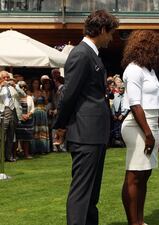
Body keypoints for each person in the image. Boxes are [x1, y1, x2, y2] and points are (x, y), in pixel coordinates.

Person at [53, 9, 119, 225]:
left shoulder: (92, 54)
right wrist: (60, 126)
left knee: (91, 195)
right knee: (82, 194)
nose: (111, 38)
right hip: (84, 134)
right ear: (101, 30)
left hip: (94, 134)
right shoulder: (81, 54)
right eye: (110, 33)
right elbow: (69, 95)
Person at [120, 29, 159, 225]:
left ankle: (140, 219)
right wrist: (148, 133)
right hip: (137, 125)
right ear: (145, 47)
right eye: (155, 48)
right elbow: (135, 104)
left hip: (151, 123)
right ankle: (134, 222)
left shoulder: (149, 70)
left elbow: (154, 101)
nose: (158, 52)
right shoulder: (133, 70)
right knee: (134, 175)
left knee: (144, 174)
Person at [0, 71, 24, 162]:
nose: (6, 79)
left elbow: (24, 95)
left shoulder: (13, 87)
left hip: (14, 111)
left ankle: (8, 156)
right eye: (4, 77)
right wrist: (1, 86)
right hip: (3, 111)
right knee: (2, 135)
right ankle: (1, 156)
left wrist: (16, 86)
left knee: (11, 135)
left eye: (8, 78)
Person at [15, 81, 35, 159]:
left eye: (24, 86)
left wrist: (28, 115)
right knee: (17, 137)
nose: (23, 88)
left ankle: (26, 154)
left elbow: (33, 109)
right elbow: (15, 108)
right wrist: (21, 115)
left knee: (26, 138)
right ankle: (15, 154)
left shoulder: (30, 97)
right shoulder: (16, 97)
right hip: (19, 119)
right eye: (21, 87)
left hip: (28, 120)